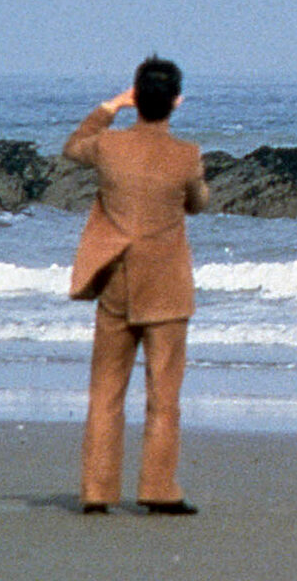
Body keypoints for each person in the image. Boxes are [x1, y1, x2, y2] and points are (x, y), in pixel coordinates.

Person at [63, 56, 209, 515]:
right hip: (165, 286)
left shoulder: (108, 146)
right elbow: (198, 204)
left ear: (136, 97)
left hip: (116, 282)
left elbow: (73, 146)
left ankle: (96, 491)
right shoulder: (186, 154)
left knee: (105, 392)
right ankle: (159, 488)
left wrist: (111, 106)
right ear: (177, 101)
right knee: (164, 395)